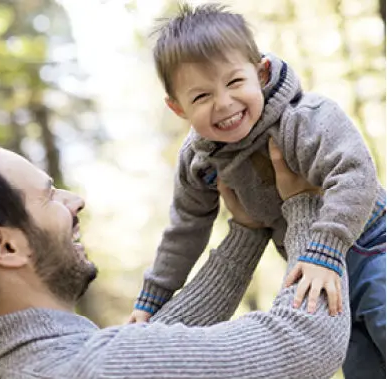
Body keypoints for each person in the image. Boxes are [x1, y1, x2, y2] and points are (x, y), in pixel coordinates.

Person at [0, 130, 349, 378]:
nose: (75, 201)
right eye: (50, 196)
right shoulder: (92, 368)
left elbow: (155, 349)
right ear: (6, 246)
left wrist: (245, 231)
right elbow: (307, 344)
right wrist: (306, 202)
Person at [129, 4, 386, 379]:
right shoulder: (200, 162)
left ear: (260, 71)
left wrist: (326, 249)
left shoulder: (304, 118)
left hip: (370, 243)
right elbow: (185, 228)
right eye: (201, 96)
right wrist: (154, 297)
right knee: (363, 365)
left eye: (235, 83)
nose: (225, 103)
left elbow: (355, 173)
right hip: (312, 265)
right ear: (177, 108)